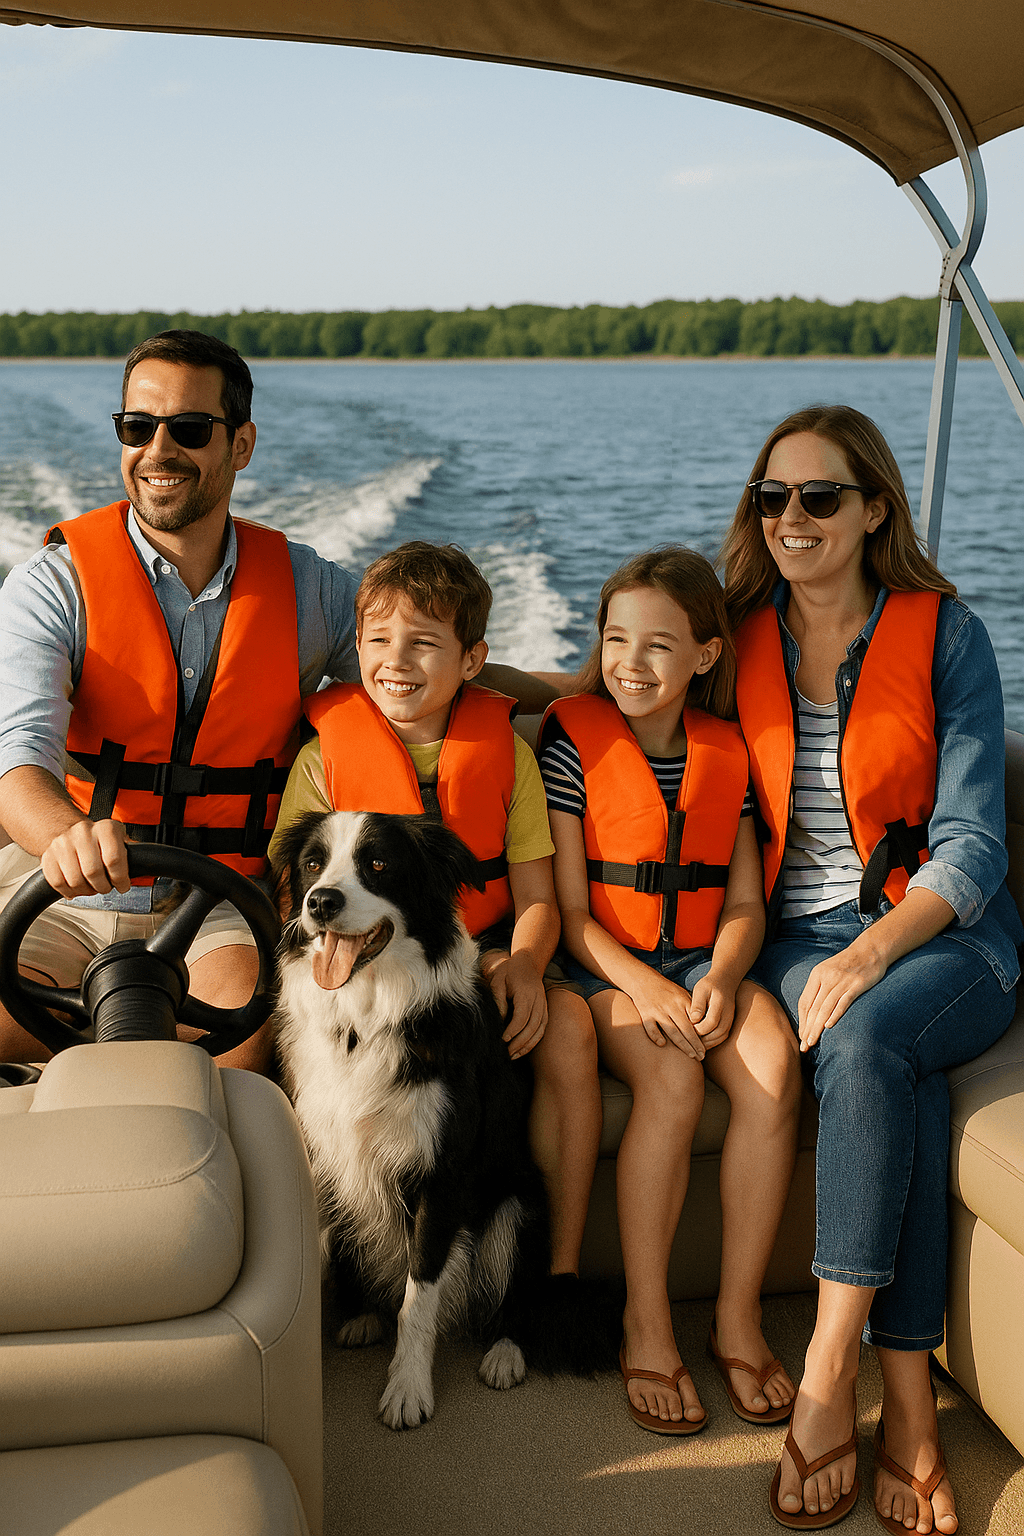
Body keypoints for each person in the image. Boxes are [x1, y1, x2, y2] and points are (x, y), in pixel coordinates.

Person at [0, 332, 555, 1073]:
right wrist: (68, 834)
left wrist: (579, 693)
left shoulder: (308, 591)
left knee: (246, 1048)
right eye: (137, 427)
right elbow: (18, 757)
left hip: (220, 902)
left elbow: (419, 661)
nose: (158, 450)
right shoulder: (53, 584)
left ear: (242, 444)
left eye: (189, 430)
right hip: (65, 893)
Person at [722, 404, 1022, 1533]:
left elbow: (976, 844)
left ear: (872, 509)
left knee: (866, 1038)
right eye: (773, 499)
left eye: (819, 497)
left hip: (948, 939)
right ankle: (908, 1407)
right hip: (796, 945)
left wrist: (872, 948)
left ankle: (827, 1360)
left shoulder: (946, 637)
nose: (791, 519)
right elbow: (617, 682)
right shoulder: (734, 630)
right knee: (893, 1072)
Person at [268, 540, 602, 1277]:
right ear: (355, 647)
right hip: (369, 960)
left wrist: (524, 961)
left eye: (424, 644)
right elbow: (301, 899)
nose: (398, 660)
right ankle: (341, 1261)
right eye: (379, 640)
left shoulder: (505, 754)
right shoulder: (322, 760)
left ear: (472, 660)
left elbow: (538, 897)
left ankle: (558, 1268)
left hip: (487, 948)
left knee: (573, 1026)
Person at [538, 546, 801, 1434]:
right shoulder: (572, 745)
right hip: (606, 969)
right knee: (673, 1077)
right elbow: (572, 915)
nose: (630, 664)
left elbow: (742, 904)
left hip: (705, 960)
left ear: (706, 655)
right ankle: (646, 1322)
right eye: (616, 639)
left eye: (657, 645)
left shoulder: (727, 756)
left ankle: (736, 1315)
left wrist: (724, 976)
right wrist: (648, 989)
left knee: (771, 1063)